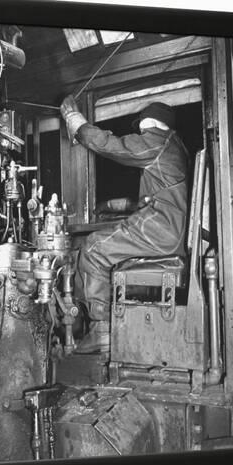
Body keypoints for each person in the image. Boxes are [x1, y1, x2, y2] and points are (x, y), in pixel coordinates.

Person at [60, 96, 189, 353]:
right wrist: (107, 206)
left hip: (161, 228)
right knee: (102, 247)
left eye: (143, 125)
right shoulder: (174, 149)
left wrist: (74, 121)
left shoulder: (158, 142)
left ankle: (102, 331)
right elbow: (144, 200)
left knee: (93, 249)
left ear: (151, 123)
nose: (141, 130)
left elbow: (112, 145)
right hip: (168, 228)